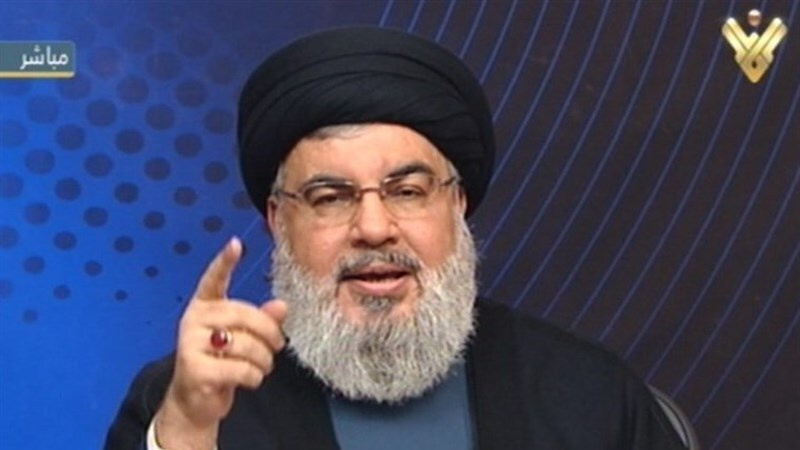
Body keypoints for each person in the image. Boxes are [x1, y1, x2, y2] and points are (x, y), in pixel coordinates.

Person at [105, 27, 686, 450]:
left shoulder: (587, 393)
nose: (374, 228)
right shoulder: (190, 401)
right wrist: (187, 431)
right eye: (331, 198)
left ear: (457, 204)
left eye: (407, 191)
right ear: (277, 221)